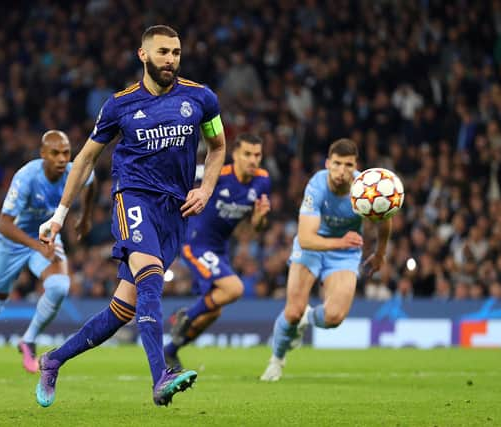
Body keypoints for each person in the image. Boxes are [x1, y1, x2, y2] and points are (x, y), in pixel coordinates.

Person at [35, 25, 226, 407]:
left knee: (122, 308)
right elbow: (86, 157)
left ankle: (52, 360)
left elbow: (218, 145)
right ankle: (161, 378)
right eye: (162, 52)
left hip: (174, 210)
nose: (170, 59)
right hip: (133, 197)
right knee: (151, 275)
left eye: (175, 52)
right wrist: (59, 215)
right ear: (143, 55)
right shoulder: (119, 105)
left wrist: (205, 189)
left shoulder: (201, 98)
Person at [0, 130, 96, 381]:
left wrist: (85, 217)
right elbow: (4, 225)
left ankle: (28, 339)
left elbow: (91, 179)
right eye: (55, 153)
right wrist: (36, 246)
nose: (62, 158)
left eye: (66, 152)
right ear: (43, 154)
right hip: (12, 241)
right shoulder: (26, 177)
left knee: (59, 287)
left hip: (45, 235)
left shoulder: (73, 171)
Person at [260, 138, 392, 381]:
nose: (342, 171)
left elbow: (385, 217)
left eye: (348, 165)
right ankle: (276, 360)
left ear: (356, 166)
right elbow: (306, 238)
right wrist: (340, 242)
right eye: (337, 164)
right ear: (327, 163)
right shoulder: (317, 186)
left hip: (344, 254)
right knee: (292, 311)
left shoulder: (366, 187)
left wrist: (380, 253)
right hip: (313, 247)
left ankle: (306, 320)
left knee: (334, 318)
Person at [163, 133, 271, 370]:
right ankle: (187, 315)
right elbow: (179, 181)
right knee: (235, 288)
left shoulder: (262, 180)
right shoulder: (217, 174)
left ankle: (170, 351)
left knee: (213, 312)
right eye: (247, 154)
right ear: (235, 155)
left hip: (220, 249)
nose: (253, 160)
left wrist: (261, 218)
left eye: (257, 155)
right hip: (195, 243)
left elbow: (257, 226)